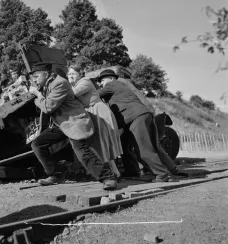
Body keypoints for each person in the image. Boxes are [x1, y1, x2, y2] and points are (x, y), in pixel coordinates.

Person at [28, 62, 117, 190]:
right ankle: (55, 174)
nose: (34, 80)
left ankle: (108, 178)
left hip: (74, 121)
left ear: (45, 74)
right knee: (37, 144)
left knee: (82, 151)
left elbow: (48, 107)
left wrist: (38, 95)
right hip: (62, 123)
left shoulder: (60, 83)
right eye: (33, 78)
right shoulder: (47, 83)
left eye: (36, 77)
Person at [97, 69, 178, 182]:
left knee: (143, 149)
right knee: (126, 146)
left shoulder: (112, 84)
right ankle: (133, 172)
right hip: (136, 117)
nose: (101, 84)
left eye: (102, 80)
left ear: (111, 78)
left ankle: (162, 174)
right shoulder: (118, 87)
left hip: (136, 117)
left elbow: (95, 94)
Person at [117, 75, 187, 177]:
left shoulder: (120, 82)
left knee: (151, 145)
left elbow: (137, 95)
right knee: (128, 144)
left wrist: (149, 111)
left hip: (143, 113)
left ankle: (169, 170)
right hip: (137, 114)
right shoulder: (119, 84)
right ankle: (135, 171)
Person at [67, 65, 123, 178]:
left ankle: (115, 172)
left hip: (98, 112)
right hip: (90, 113)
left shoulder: (85, 81)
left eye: (74, 73)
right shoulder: (75, 84)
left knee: (102, 141)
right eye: (69, 74)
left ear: (80, 74)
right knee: (96, 143)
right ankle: (104, 171)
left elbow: (72, 94)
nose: (71, 75)